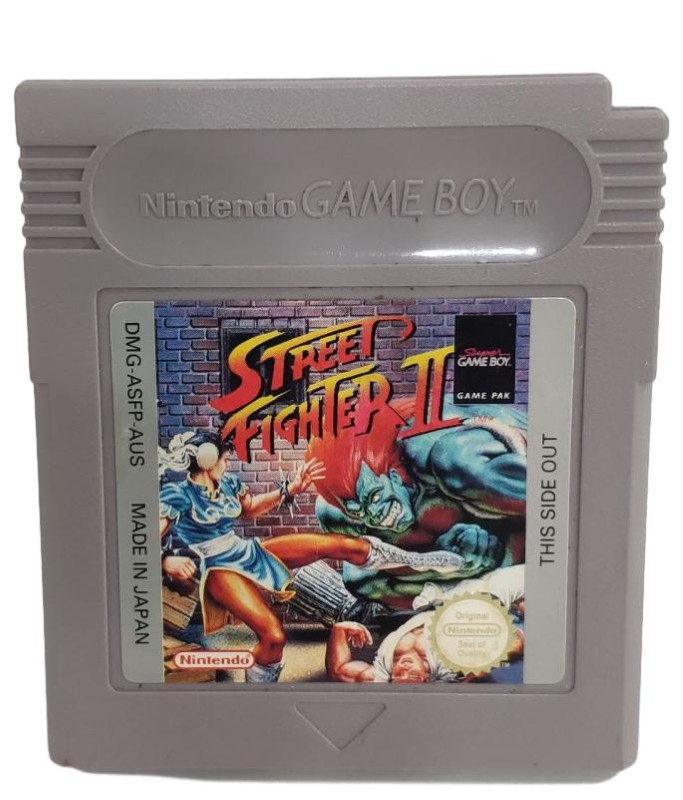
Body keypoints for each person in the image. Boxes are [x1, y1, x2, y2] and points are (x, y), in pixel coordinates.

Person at [158, 431, 466, 683]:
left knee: (343, 545)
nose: (227, 463)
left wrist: (289, 491)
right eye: (224, 459)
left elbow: (249, 509)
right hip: (218, 568)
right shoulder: (177, 495)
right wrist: (165, 561)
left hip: (246, 550)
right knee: (274, 637)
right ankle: (259, 696)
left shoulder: (228, 483)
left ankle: (421, 561)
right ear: (207, 460)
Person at [326, 565, 525, 683]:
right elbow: (517, 642)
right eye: (411, 675)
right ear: (427, 678)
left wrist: (338, 631)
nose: (403, 670)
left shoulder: (381, 675)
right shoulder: (450, 666)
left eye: (398, 676)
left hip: (424, 602)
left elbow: (339, 671)